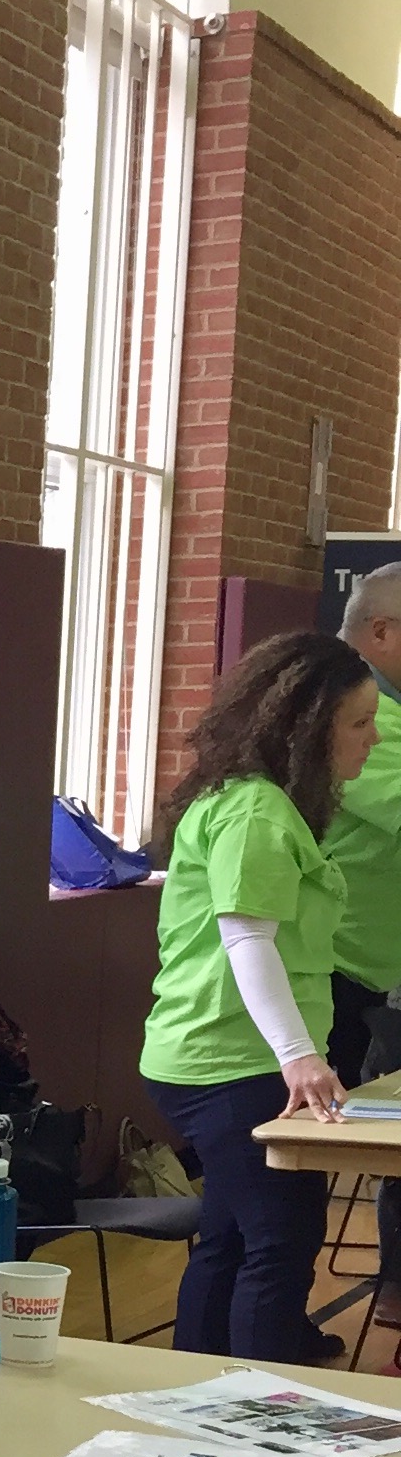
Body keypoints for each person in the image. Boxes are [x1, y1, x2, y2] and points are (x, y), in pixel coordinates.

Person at [141, 628, 380, 1363]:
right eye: (359, 724)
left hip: (226, 1057)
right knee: (280, 1242)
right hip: (231, 1061)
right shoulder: (255, 813)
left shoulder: (261, 804)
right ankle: (258, 1412)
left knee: (232, 1234)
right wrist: (301, 1058)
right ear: (308, 729)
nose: (371, 741)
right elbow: (249, 942)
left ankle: (197, 1385)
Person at [325, 563, 401, 1324]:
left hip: (379, 969)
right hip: (335, 967)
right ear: (380, 631)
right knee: (286, 1178)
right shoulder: (349, 706)